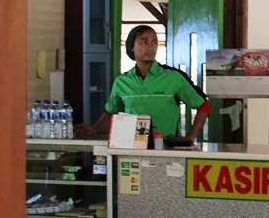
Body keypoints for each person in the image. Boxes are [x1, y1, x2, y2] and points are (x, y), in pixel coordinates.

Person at [76, 24, 212, 142]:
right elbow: (111, 112)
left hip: (165, 147)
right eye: (144, 42)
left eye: (154, 42)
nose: (151, 47)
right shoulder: (122, 82)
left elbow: (204, 106)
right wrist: (93, 130)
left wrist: (190, 137)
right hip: (130, 147)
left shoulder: (173, 77)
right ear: (131, 47)